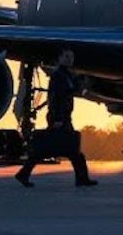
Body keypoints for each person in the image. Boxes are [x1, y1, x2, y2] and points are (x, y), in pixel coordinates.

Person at [15, 48, 98, 189]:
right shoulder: (58, 75)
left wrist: (80, 80)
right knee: (71, 151)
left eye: (71, 57)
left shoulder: (65, 75)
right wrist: (57, 118)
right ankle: (82, 179)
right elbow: (55, 98)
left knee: (53, 150)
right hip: (60, 117)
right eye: (66, 56)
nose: (69, 59)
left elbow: (69, 92)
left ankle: (24, 173)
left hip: (63, 116)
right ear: (59, 59)